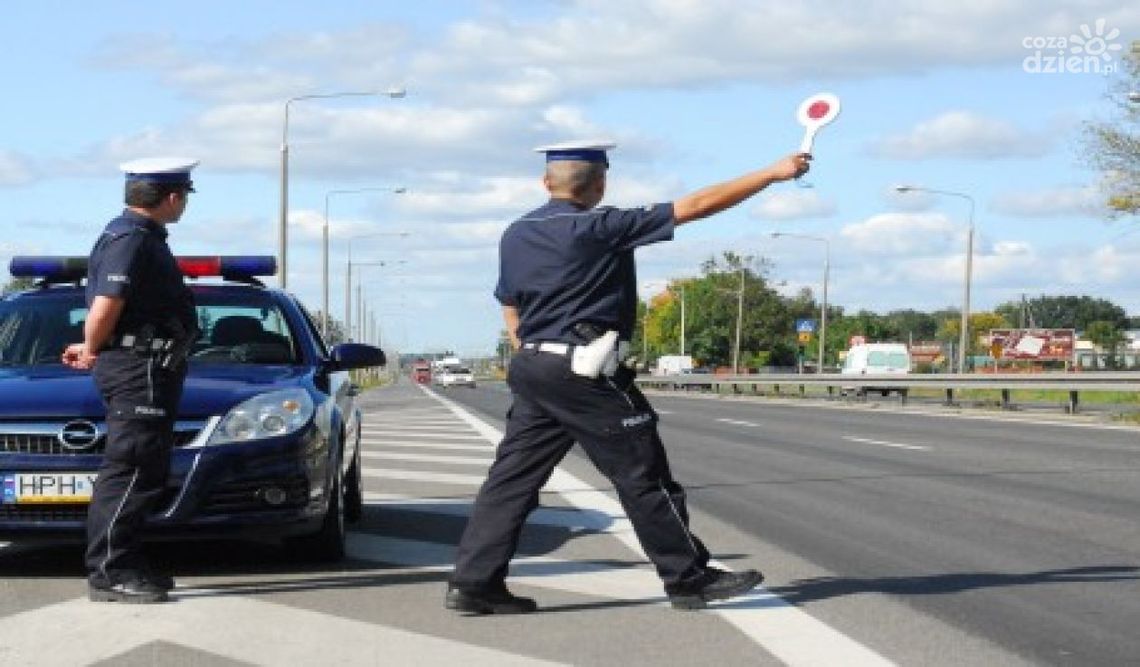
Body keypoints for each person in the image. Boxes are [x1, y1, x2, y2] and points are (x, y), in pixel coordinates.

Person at [447, 141, 810, 614]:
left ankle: (474, 584)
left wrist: (527, 350)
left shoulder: (516, 233)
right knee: (643, 474)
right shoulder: (602, 225)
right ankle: (688, 577)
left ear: (545, 183)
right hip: (585, 371)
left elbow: (508, 301)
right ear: (600, 185)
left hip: (534, 367)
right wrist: (772, 173)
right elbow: (696, 206)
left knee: (511, 481)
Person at [62, 157, 200, 604]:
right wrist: (91, 346)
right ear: (172, 197)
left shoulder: (135, 237)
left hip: (146, 366)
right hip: (138, 367)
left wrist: (92, 346)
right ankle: (110, 571)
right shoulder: (132, 240)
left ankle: (127, 561)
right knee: (131, 467)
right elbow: (107, 305)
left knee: (144, 468)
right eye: (184, 197)